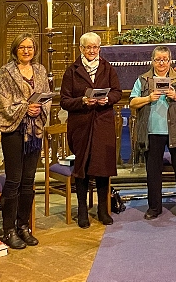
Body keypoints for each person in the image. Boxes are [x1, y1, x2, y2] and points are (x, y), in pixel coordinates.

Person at [0, 33, 50, 249]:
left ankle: (23, 226)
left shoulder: (41, 70)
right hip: (14, 131)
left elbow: (46, 96)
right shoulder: (6, 72)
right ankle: (9, 230)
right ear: (15, 50)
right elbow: (0, 101)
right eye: (22, 47)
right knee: (14, 180)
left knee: (29, 180)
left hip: (34, 131)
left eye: (30, 47)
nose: (27, 51)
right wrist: (25, 108)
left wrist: (39, 108)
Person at [60, 32, 122, 228]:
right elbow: (64, 100)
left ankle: (103, 210)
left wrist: (107, 99)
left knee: (102, 168)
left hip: (103, 123)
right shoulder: (72, 71)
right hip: (81, 124)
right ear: (81, 49)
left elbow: (117, 92)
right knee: (83, 169)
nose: (91, 51)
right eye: (88, 47)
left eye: (95, 47)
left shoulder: (107, 68)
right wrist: (83, 101)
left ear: (99, 49)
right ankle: (82, 212)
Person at [129, 45, 176, 220]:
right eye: (158, 59)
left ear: (170, 61)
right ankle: (154, 207)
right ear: (152, 61)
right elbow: (132, 103)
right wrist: (148, 98)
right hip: (152, 131)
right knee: (153, 171)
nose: (161, 63)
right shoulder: (143, 79)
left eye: (165, 59)